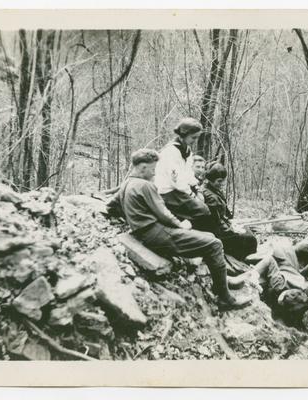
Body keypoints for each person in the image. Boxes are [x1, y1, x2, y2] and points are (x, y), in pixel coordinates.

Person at [110, 148, 251, 309]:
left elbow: (111, 206)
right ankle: (225, 298)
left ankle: (223, 280)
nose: (155, 173)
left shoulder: (127, 183)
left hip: (148, 233)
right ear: (142, 168)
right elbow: (164, 214)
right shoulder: (145, 186)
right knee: (215, 244)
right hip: (158, 235)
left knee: (210, 235)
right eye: (153, 169)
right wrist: (181, 225)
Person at [228, 243, 308, 326]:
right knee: (247, 260)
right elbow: (270, 260)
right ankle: (240, 277)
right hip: (278, 253)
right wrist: (253, 275)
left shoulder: (306, 290)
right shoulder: (278, 285)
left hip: (290, 260)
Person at [154, 118, 211, 230]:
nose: (195, 140)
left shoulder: (187, 150)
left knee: (207, 202)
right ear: (183, 135)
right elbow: (176, 181)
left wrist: (196, 187)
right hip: (167, 192)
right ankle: (184, 228)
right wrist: (193, 195)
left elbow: (188, 173)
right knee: (203, 211)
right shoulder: (171, 151)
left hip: (180, 190)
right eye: (193, 137)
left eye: (197, 137)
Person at [201, 162, 258, 261]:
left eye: (223, 181)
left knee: (247, 231)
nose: (222, 184)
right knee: (251, 239)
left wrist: (232, 224)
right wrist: (233, 230)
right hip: (218, 235)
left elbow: (223, 216)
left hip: (222, 229)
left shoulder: (213, 189)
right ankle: (244, 261)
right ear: (210, 180)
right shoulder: (210, 197)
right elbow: (216, 223)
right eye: (219, 181)